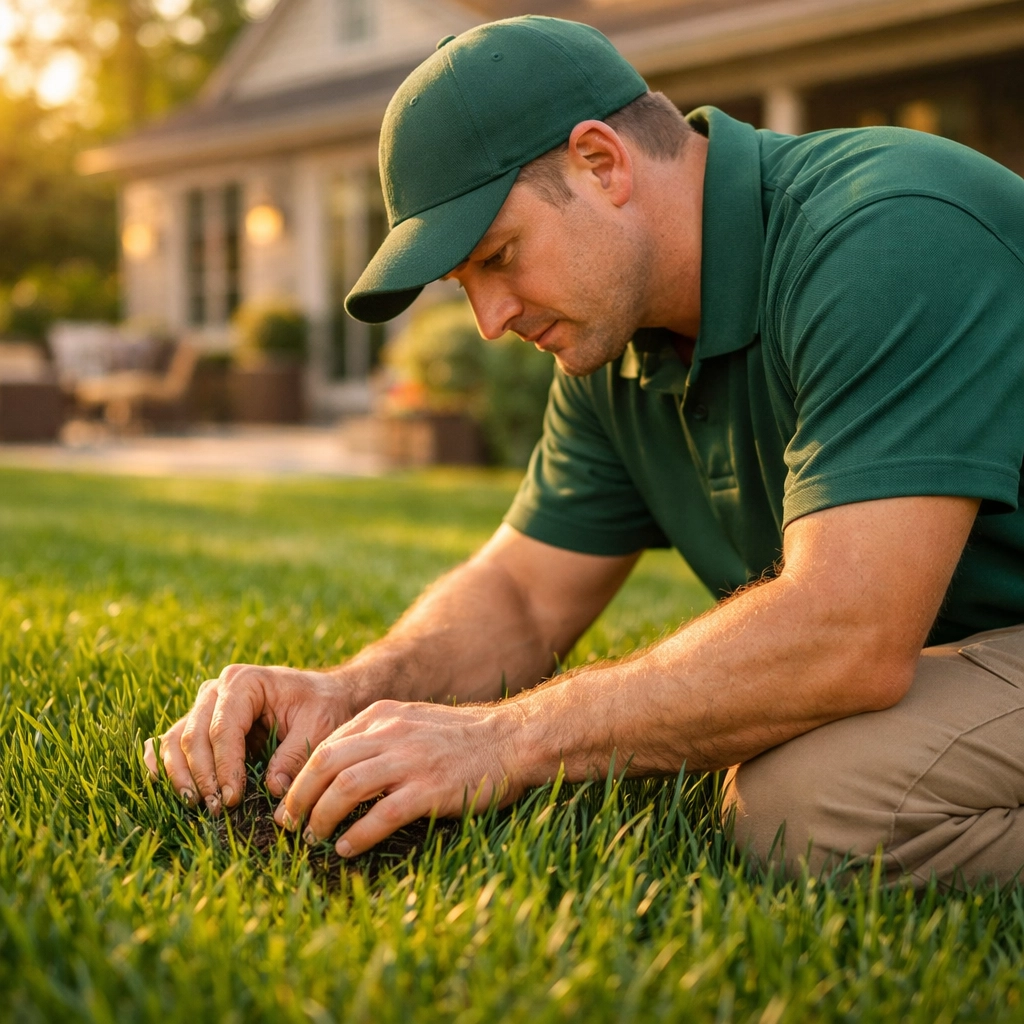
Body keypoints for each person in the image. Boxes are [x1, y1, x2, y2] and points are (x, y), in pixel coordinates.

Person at [144, 16, 1024, 886]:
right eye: (465, 289)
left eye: (500, 257)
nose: (490, 322)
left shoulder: (883, 233)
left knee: (813, 800)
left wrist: (507, 740)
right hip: (966, 656)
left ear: (601, 163)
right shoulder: (620, 343)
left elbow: (847, 632)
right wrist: (351, 688)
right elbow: (524, 597)